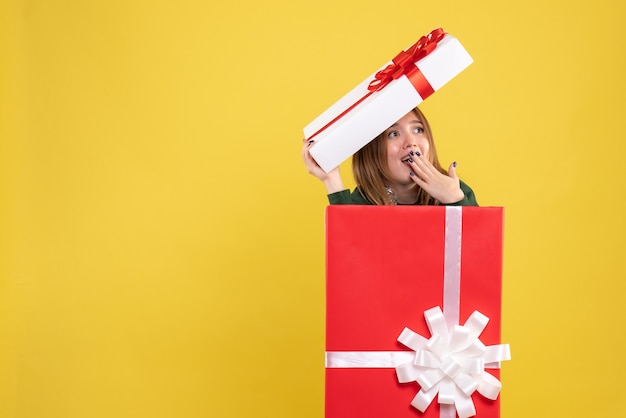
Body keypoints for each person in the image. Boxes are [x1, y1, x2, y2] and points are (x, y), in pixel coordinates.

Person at [302, 107, 478, 206]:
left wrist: (455, 201)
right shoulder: (362, 202)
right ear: (373, 150)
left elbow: (478, 258)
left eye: (418, 130)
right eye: (393, 134)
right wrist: (331, 181)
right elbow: (350, 261)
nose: (411, 142)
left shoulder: (458, 190)